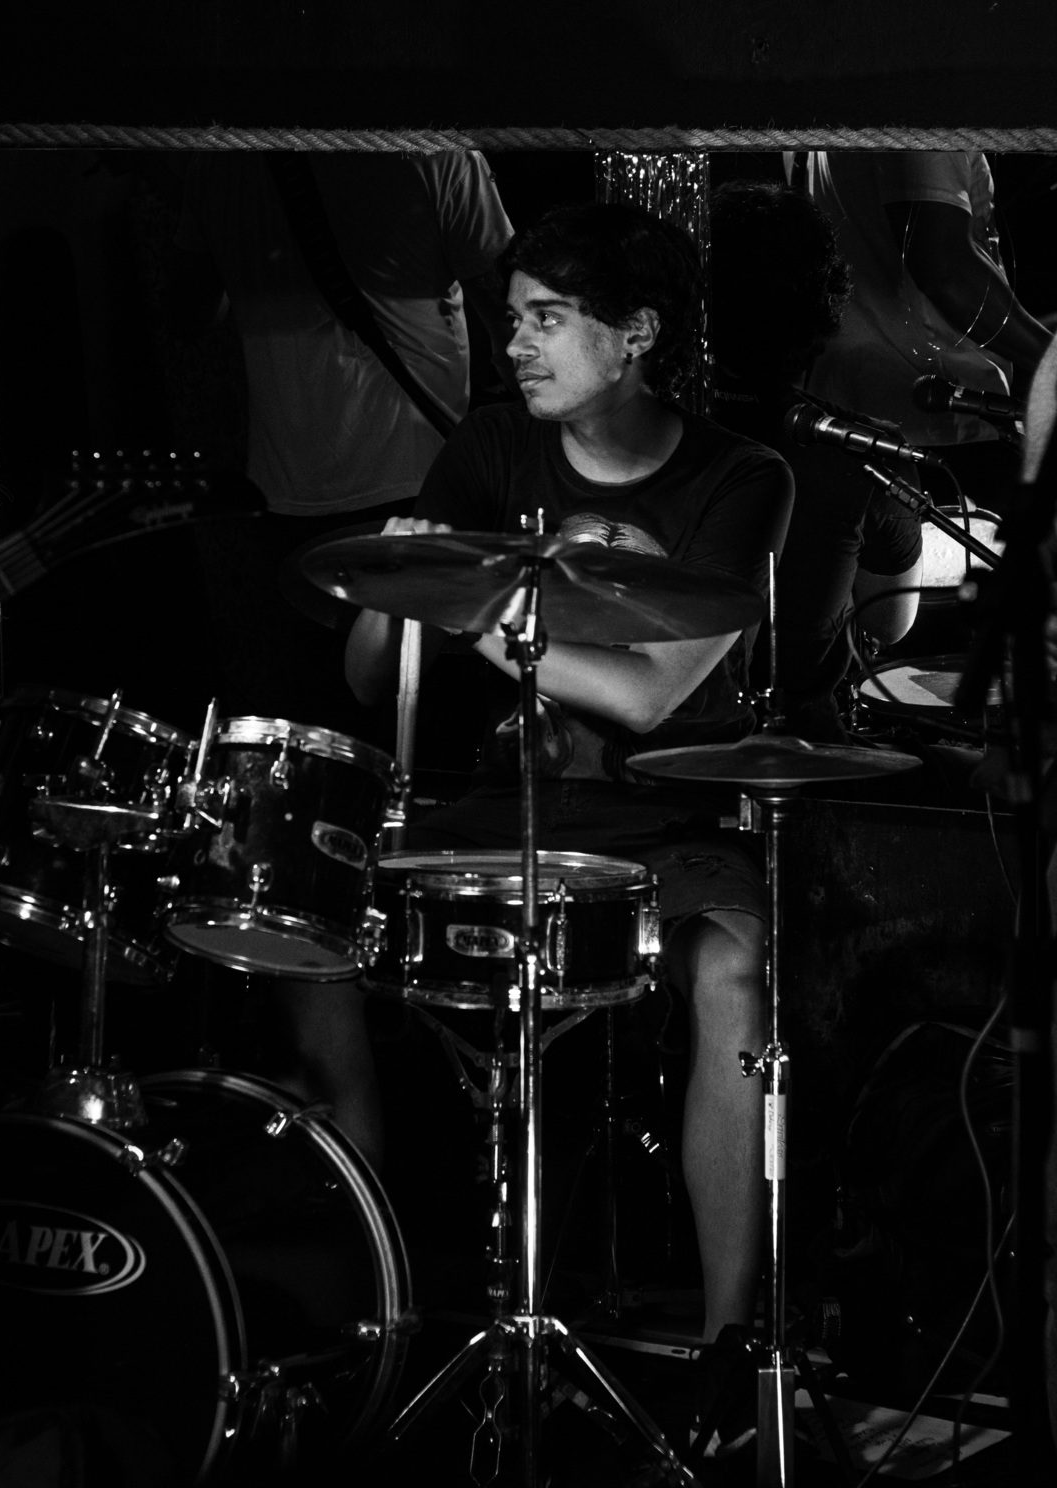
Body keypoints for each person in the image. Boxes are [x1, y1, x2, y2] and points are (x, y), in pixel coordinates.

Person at [345, 201, 795, 1454]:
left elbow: (653, 694)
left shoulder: (742, 479)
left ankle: (728, 1351)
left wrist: (476, 606)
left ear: (635, 334)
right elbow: (369, 676)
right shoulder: (492, 446)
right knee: (309, 919)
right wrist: (391, 588)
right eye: (511, 320)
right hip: (501, 805)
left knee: (735, 971)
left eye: (547, 320)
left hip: (662, 813)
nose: (516, 346)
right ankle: (380, 1302)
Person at [170, 148, 515, 737]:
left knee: (323, 731)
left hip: (285, 489)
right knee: (433, 726)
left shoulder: (219, 164)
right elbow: (511, 314)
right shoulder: (436, 153)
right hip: (422, 478)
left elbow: (189, 311)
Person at [709, 178, 924, 742]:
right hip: (803, 751)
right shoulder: (866, 455)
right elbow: (889, 623)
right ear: (825, 305)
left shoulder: (642, 430)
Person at [789, 150, 1052, 511]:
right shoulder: (931, 116)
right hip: (937, 420)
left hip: (845, 413)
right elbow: (945, 271)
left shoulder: (824, 121)